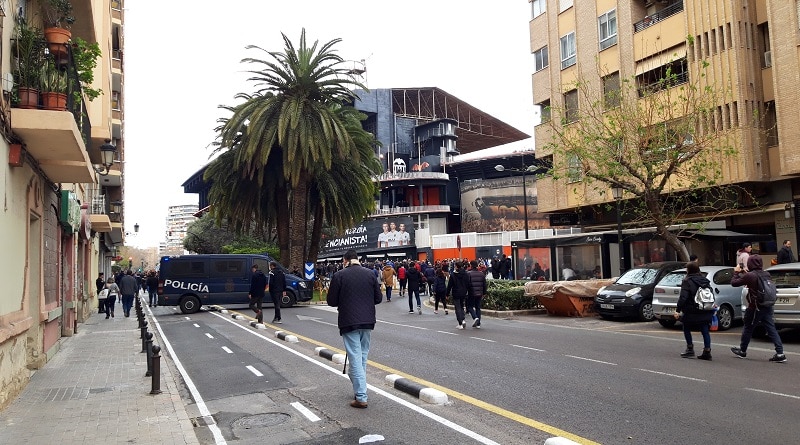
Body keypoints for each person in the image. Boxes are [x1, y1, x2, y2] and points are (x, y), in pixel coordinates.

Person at [326, 250, 382, 409]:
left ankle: (361, 396)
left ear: (345, 260)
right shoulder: (370, 274)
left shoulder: (339, 275)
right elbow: (378, 298)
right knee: (362, 357)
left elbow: (331, 301)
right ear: (358, 259)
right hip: (368, 321)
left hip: (349, 321)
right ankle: (360, 389)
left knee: (355, 357)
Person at [730, 254, 787, 363]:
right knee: (771, 328)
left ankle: (742, 351)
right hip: (767, 305)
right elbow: (756, 281)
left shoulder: (750, 275)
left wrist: (736, 272)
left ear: (750, 263)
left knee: (748, 327)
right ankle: (780, 353)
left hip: (755, 307)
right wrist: (746, 274)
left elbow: (734, 283)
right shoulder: (766, 274)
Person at [674, 261, 713, 360]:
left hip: (691, 309)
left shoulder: (687, 281)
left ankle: (690, 349)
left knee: (686, 327)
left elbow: (683, 297)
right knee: (704, 329)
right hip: (704, 308)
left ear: (688, 270)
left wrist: (678, 310)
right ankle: (707, 351)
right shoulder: (705, 280)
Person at [446, 260, 472, 329]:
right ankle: (463, 319)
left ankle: (460, 323)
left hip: (456, 292)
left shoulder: (453, 275)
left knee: (457, 308)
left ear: (456, 267)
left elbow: (449, 285)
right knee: (461, 306)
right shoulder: (466, 274)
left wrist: (447, 294)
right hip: (463, 292)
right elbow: (468, 284)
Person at [467, 260, 487, 328]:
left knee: (469, 307)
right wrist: (484, 292)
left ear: (471, 265)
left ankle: (475, 317)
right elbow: (484, 284)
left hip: (472, 293)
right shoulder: (481, 274)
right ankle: (478, 324)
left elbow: (467, 284)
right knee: (478, 307)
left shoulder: (468, 273)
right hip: (480, 293)